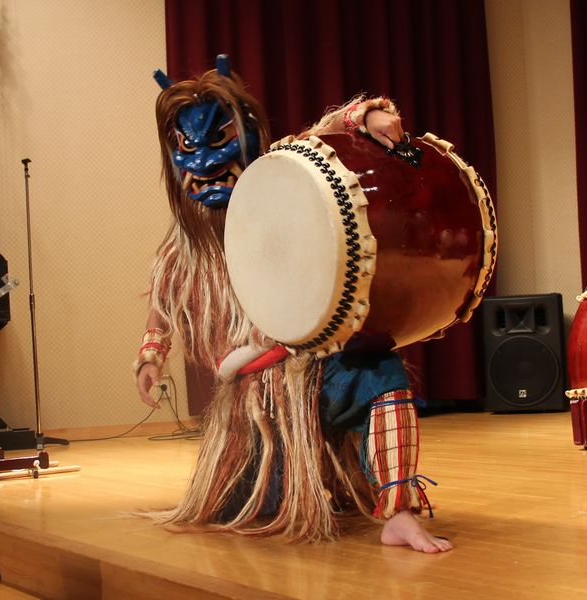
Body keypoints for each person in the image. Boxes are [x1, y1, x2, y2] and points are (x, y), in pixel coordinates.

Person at [135, 56, 452, 553]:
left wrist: (366, 116)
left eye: (219, 142)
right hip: (255, 401)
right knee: (257, 506)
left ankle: (400, 512)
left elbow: (324, 131)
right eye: (186, 149)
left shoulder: (286, 181)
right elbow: (163, 305)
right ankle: (285, 480)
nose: (203, 163)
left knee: (382, 374)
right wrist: (151, 356)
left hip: (317, 366)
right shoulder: (185, 249)